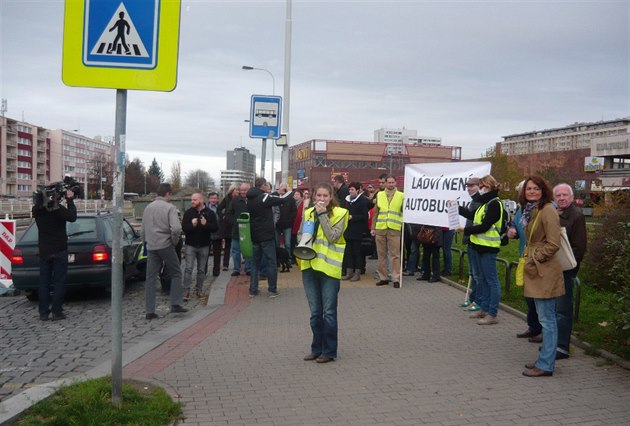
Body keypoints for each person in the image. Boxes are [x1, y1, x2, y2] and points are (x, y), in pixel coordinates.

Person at [519, 176, 564, 377]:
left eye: (536, 188)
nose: (532, 191)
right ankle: (544, 359)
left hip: (544, 270)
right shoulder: (533, 210)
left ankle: (546, 365)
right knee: (544, 317)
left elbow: (554, 243)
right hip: (537, 269)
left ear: (543, 190)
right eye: (529, 188)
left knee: (547, 320)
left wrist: (536, 256)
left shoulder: (548, 210)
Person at [298, 182, 349, 363]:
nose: (321, 199)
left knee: (328, 312)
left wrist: (322, 215)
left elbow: (333, 236)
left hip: (329, 269)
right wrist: (302, 242)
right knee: (315, 313)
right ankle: (316, 348)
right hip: (310, 267)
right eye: (318, 196)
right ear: (313, 197)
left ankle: (329, 351)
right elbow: (299, 234)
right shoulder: (308, 213)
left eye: (325, 196)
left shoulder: (341, 213)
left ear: (331, 197)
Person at [455, 174, 503, 325]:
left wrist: (465, 230)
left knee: (491, 281)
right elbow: (471, 215)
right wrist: (457, 208)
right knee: (483, 279)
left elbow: (485, 226)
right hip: (479, 246)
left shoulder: (494, 204)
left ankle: (492, 313)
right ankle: (484, 308)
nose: (479, 190)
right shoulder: (484, 203)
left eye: (482, 187)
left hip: (489, 248)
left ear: (489, 187)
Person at [142, 183, 188, 319]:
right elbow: (176, 228)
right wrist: (174, 242)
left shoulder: (147, 208)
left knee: (150, 278)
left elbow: (143, 230)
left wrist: (146, 242)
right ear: (168, 194)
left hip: (151, 246)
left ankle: (149, 311)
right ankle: (175, 304)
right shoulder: (170, 208)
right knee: (176, 273)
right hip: (166, 245)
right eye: (171, 195)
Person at [553, 182, 587, 360]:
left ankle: (562, 347)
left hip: (566, 269)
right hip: (554, 268)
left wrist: (569, 265)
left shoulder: (576, 216)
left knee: (563, 309)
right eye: (558, 195)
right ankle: (554, 342)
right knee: (554, 308)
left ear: (572, 197)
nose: (562, 198)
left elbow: (579, 247)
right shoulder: (554, 213)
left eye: (565, 195)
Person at [33, 188, 77, 321]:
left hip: (44, 251)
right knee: (59, 282)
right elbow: (72, 217)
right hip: (59, 249)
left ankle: (43, 312)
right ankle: (57, 312)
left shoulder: (37, 211)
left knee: (44, 283)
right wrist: (69, 200)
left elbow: (41, 207)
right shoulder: (58, 210)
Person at [246, 177, 294, 298]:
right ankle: (272, 290)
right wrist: (289, 190)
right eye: (267, 185)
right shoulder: (264, 197)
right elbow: (283, 199)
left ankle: (253, 289)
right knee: (271, 262)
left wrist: (277, 192)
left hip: (255, 235)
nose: (268, 187)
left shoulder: (250, 198)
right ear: (263, 185)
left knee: (255, 263)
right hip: (266, 236)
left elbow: (270, 197)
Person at [510, 180, 543, 341]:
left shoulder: (541, 209)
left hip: (538, 258)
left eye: (531, 189)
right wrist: (512, 231)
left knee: (537, 296)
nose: (525, 193)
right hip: (524, 256)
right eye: (523, 190)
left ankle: (541, 329)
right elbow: (516, 227)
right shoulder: (521, 209)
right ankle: (533, 327)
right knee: (528, 295)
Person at [182, 192, 217, 300]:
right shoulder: (188, 213)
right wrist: (192, 225)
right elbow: (184, 228)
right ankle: (186, 291)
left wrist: (205, 224)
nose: (192, 202)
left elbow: (215, 228)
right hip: (190, 245)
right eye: (192, 200)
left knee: (201, 270)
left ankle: (199, 290)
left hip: (204, 245)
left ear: (201, 200)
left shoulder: (209, 213)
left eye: (195, 200)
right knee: (188, 268)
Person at [371, 175, 404, 288]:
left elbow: (405, 211)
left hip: (394, 228)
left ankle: (395, 278)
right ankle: (383, 277)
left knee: (395, 255)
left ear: (396, 183)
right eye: (388, 182)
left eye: (392, 182)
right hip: (381, 228)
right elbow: (376, 213)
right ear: (385, 183)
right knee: (381, 255)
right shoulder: (379, 195)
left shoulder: (401, 196)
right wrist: (373, 228)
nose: (390, 184)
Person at [460, 177, 483, 311]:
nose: (469, 188)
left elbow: (472, 216)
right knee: (473, 272)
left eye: (472, 186)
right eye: (467, 186)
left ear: (479, 186)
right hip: (471, 239)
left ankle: (477, 299)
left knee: (477, 273)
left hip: (477, 240)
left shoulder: (479, 200)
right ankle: (473, 298)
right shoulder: (474, 200)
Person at [340, 182, 370, 281]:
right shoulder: (347, 200)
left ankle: (357, 272)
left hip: (357, 230)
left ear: (357, 190)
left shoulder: (362, 200)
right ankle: (349, 272)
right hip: (348, 230)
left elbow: (364, 216)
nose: (350, 191)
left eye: (352, 189)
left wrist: (353, 217)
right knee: (348, 252)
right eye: (349, 190)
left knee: (357, 252)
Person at [227, 182, 252, 276]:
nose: (243, 192)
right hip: (237, 230)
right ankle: (236, 269)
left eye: (245, 190)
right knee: (235, 251)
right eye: (241, 190)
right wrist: (235, 222)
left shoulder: (252, 200)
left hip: (249, 230)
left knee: (248, 250)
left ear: (249, 190)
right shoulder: (235, 201)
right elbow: (228, 214)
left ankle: (248, 268)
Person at [218, 184, 239, 271]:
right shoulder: (227, 199)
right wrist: (223, 216)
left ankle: (238, 265)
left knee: (237, 246)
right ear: (232, 191)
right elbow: (219, 209)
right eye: (236, 190)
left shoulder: (239, 199)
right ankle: (225, 264)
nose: (238, 192)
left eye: (238, 190)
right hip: (227, 225)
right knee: (227, 246)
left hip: (236, 224)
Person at [276, 182, 297, 261]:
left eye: (285, 188)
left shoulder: (291, 199)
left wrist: (290, 220)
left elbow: (294, 211)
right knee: (276, 243)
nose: (283, 190)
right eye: (282, 187)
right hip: (277, 224)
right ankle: (278, 259)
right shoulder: (276, 197)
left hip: (287, 225)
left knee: (287, 243)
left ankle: (288, 259)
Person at [206, 192, 223, 277]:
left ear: (217, 199)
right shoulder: (205, 209)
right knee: (205, 254)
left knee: (217, 254)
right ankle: (203, 271)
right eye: (212, 198)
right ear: (209, 199)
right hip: (207, 234)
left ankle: (216, 272)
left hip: (218, 234)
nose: (213, 200)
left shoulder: (220, 208)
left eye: (215, 198)